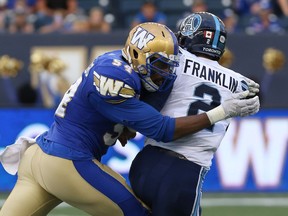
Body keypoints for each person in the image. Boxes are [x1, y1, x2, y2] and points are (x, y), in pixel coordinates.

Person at [0, 22, 259, 216]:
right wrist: (224, 110)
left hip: (38, 158)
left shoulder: (116, 64)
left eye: (168, 64)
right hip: (67, 162)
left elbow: (128, 108)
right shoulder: (114, 77)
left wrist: (124, 125)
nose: (165, 71)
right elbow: (162, 129)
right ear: (136, 53)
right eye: (159, 63)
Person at [129, 12, 260, 216]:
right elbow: (254, 100)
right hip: (186, 172)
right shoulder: (240, 83)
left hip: (146, 162)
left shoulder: (176, 60)